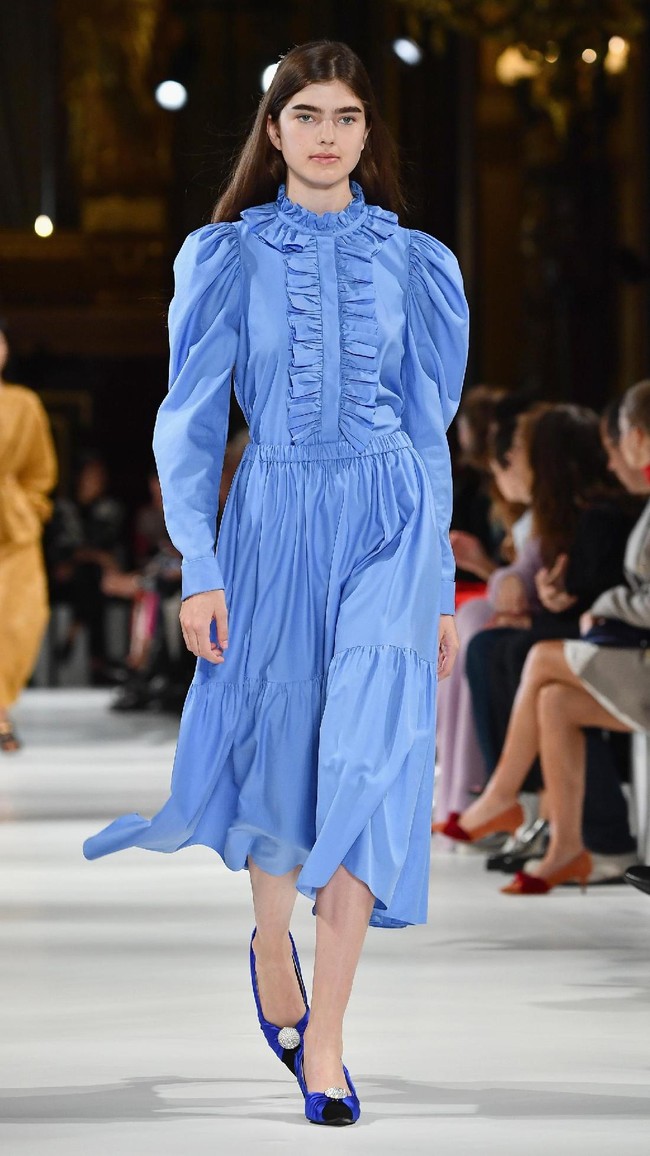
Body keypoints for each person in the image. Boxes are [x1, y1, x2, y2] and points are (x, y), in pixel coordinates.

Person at [82, 40, 469, 1126]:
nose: (326, 134)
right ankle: (268, 941)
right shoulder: (224, 258)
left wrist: (436, 575)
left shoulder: (415, 263)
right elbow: (190, 423)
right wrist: (198, 567)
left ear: (365, 136)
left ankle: (329, 1043)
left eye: (345, 117)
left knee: (367, 758)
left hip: (389, 519)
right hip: (273, 521)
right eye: (305, 115)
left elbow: (429, 431)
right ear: (273, 131)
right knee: (282, 751)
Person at [435, 379, 650, 895]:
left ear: (638, 438)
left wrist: (600, 606)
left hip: (635, 651)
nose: (613, 456)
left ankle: (502, 795)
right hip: (629, 649)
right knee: (553, 699)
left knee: (538, 660)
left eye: (618, 441)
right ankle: (569, 847)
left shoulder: (608, 512)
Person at [0, 320, 57, 751]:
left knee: (18, 620)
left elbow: (41, 471)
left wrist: (31, 510)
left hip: (12, 529)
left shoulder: (23, 404)